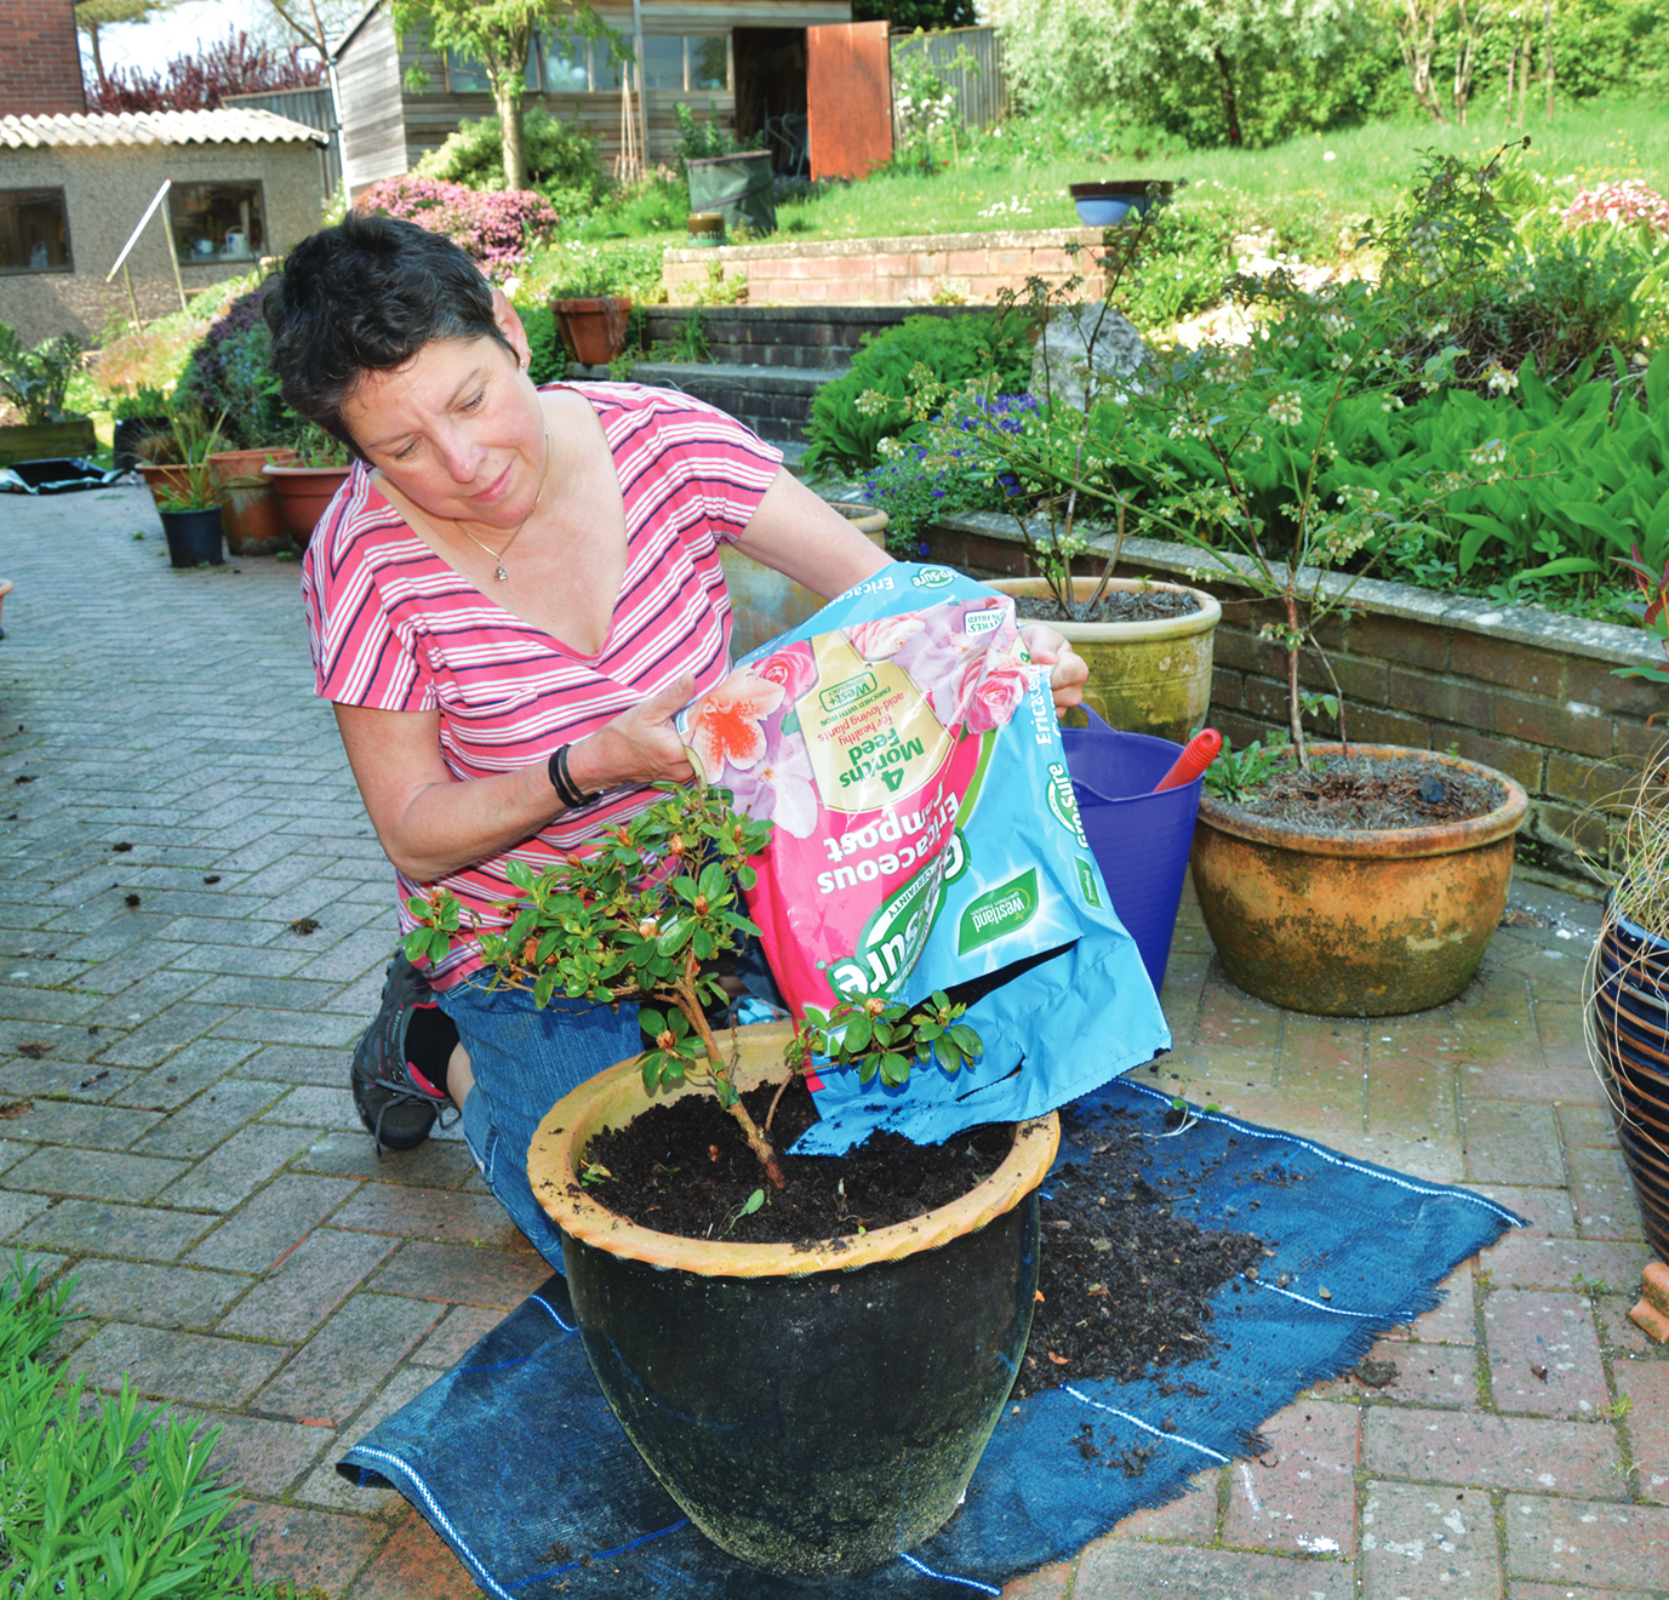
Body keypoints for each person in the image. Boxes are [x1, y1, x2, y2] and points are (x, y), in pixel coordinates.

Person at [264, 215, 1089, 1271]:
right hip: (531, 941)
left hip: (719, 884)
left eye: (470, 399)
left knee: (900, 1112)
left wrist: (1008, 646)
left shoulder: (658, 439)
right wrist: (588, 766)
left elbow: (888, 596)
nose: (463, 463)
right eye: (402, 448)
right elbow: (416, 835)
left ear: (510, 332)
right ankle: (430, 1039)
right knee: (619, 1247)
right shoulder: (363, 561)